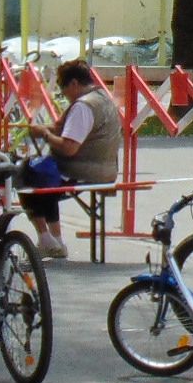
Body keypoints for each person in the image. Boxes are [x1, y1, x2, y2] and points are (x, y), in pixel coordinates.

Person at [17, 61, 119, 260]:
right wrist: (45, 129)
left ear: (73, 83)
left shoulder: (83, 106)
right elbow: (68, 129)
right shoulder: (103, 99)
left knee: (26, 173)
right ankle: (55, 240)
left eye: (63, 89)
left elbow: (69, 147)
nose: (64, 94)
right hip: (107, 168)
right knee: (45, 175)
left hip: (81, 169)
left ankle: (46, 238)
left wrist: (45, 135)